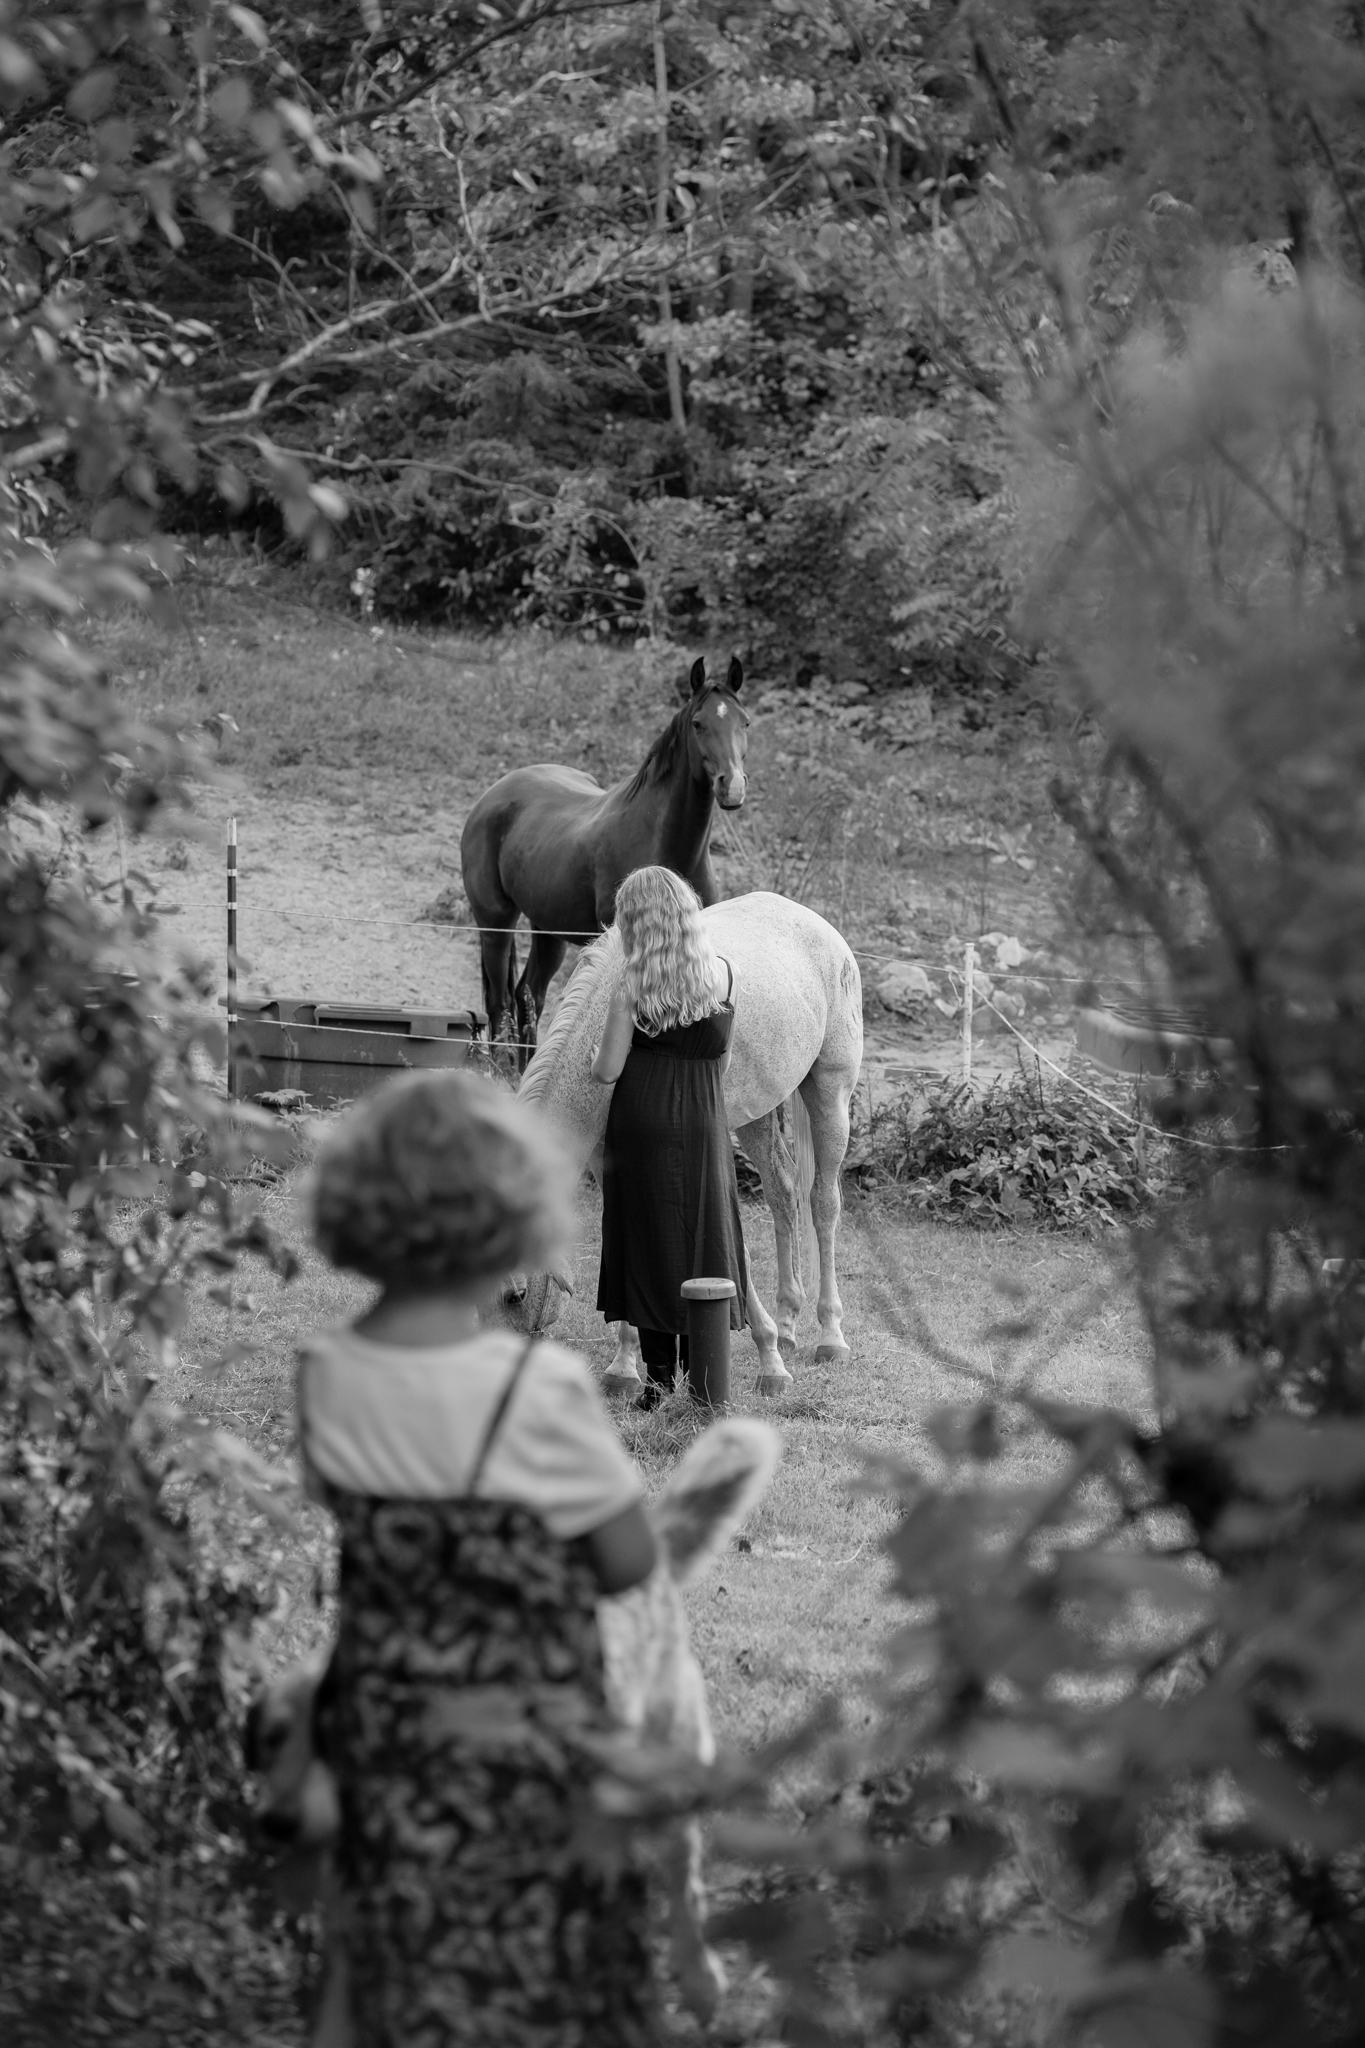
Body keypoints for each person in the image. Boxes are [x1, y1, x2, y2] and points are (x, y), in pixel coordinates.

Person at [297, 1069, 658, 2048]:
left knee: (381, 1945)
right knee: (549, 1957)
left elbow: (349, 1506)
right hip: (527, 1739)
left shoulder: (326, 1375)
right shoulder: (536, 1384)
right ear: (512, 1219)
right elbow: (626, 1557)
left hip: (382, 1728)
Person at [591, 865, 749, 1408]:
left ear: (636, 923)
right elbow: (721, 1059)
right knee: (702, 1233)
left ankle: (659, 1381)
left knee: (649, 1239)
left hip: (642, 1118)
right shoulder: (724, 975)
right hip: (704, 1118)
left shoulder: (632, 986)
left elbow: (607, 1070)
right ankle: (703, 1370)